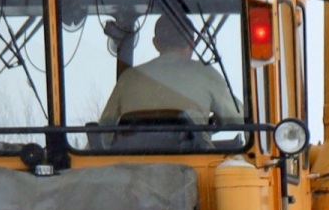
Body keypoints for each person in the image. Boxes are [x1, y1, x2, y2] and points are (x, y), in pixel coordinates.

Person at [98, 13, 243, 127]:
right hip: (196, 160)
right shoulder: (206, 74)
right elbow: (240, 118)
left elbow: (104, 131)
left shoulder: (129, 78)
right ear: (192, 43)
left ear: (156, 44)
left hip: (132, 161)